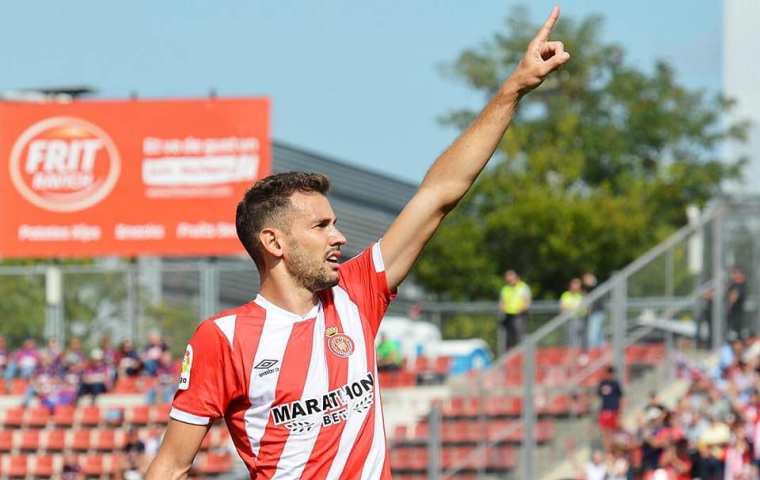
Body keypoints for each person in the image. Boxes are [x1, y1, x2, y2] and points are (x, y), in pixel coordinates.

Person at [146, 8, 570, 479]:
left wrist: (513, 89)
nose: (340, 236)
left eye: (335, 223)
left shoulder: (357, 292)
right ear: (274, 242)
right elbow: (170, 465)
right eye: (321, 226)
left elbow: (438, 195)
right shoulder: (223, 338)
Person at [499, 269, 532, 350]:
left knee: (520, 336)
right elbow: (502, 302)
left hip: (520, 316)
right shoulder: (505, 288)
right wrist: (502, 308)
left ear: (516, 277)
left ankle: (522, 352)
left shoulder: (523, 287)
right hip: (508, 316)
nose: (509, 280)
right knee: (508, 338)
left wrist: (520, 310)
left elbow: (527, 302)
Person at [598, 366, 623, 451]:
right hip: (605, 410)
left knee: (613, 431)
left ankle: (613, 450)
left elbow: (621, 397)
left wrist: (620, 412)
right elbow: (599, 395)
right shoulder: (602, 383)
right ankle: (607, 450)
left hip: (614, 410)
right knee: (605, 432)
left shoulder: (615, 384)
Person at [582, 272, 605, 348]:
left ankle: (593, 351)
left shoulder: (596, 286)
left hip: (597, 312)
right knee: (598, 335)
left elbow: (593, 286)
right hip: (592, 313)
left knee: (593, 335)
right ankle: (600, 350)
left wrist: (592, 281)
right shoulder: (586, 289)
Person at [560, 277, 585, 348]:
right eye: (574, 284)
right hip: (568, 320)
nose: (575, 286)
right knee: (570, 338)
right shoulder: (565, 295)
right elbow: (562, 307)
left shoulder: (582, 295)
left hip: (579, 319)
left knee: (579, 338)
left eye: (577, 284)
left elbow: (584, 309)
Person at [726, 267, 747, 340]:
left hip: (737, 314)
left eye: (736, 273)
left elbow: (733, 298)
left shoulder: (740, 286)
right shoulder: (732, 285)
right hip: (731, 314)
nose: (734, 275)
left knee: (736, 334)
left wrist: (729, 304)